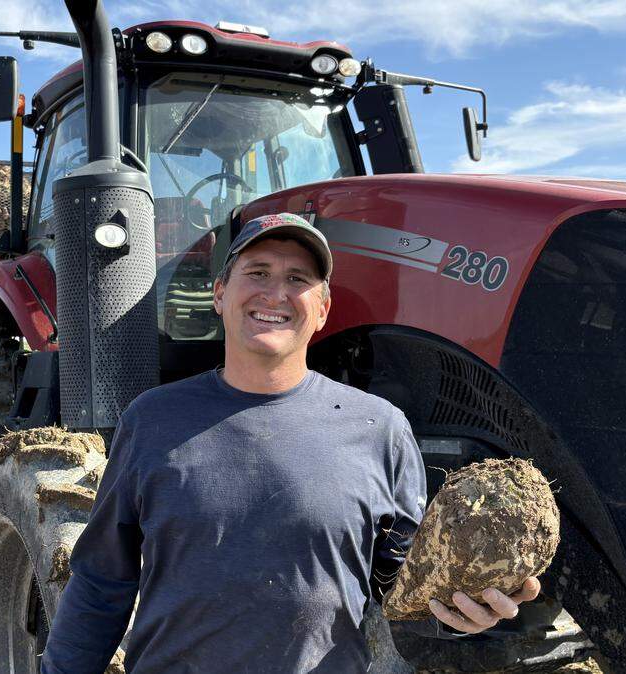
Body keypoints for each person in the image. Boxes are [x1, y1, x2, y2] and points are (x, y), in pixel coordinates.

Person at [41, 213, 540, 673]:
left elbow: (402, 591)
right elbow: (101, 582)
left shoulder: (380, 429)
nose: (275, 294)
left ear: (323, 310)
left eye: (298, 280)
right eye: (257, 273)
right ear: (219, 295)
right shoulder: (152, 420)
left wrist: (459, 612)